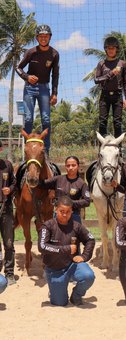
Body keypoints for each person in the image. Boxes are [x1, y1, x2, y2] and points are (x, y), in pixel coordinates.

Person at [38, 196, 95, 306]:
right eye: (61, 211)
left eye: (68, 212)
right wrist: (67, 249)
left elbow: (90, 239)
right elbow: (42, 247)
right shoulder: (48, 226)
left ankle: (76, 295)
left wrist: (84, 256)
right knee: (60, 303)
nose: (64, 215)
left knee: (88, 276)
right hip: (55, 269)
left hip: (72, 265)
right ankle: (54, 290)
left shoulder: (77, 226)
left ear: (72, 211)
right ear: (56, 209)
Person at [16, 24, 59, 155]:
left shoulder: (54, 54)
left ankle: (45, 150)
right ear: (37, 38)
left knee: (46, 119)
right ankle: (28, 150)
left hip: (45, 88)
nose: (43, 38)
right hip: (30, 88)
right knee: (28, 118)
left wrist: (55, 93)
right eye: (41, 36)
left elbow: (55, 74)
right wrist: (27, 77)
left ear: (50, 37)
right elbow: (19, 68)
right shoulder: (31, 52)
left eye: (46, 36)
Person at [94, 36, 126, 138]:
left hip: (118, 96)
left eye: (113, 48)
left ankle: (119, 151)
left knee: (117, 123)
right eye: (108, 48)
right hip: (104, 96)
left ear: (116, 49)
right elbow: (96, 80)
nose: (110, 50)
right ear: (105, 49)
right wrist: (111, 73)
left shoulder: (122, 64)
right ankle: (102, 151)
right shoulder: (101, 64)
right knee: (102, 122)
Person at [40, 156, 90, 223]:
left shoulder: (82, 184)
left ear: (78, 166)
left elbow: (87, 201)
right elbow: (42, 184)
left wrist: (70, 203)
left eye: (73, 165)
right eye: (68, 165)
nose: (70, 168)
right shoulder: (58, 179)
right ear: (65, 167)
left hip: (74, 216)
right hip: (58, 216)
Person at [0, 141, 17, 285]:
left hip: (6, 209)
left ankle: (10, 273)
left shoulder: (7, 165)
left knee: (9, 243)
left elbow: (14, 183)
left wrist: (10, 190)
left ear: (1, 149)